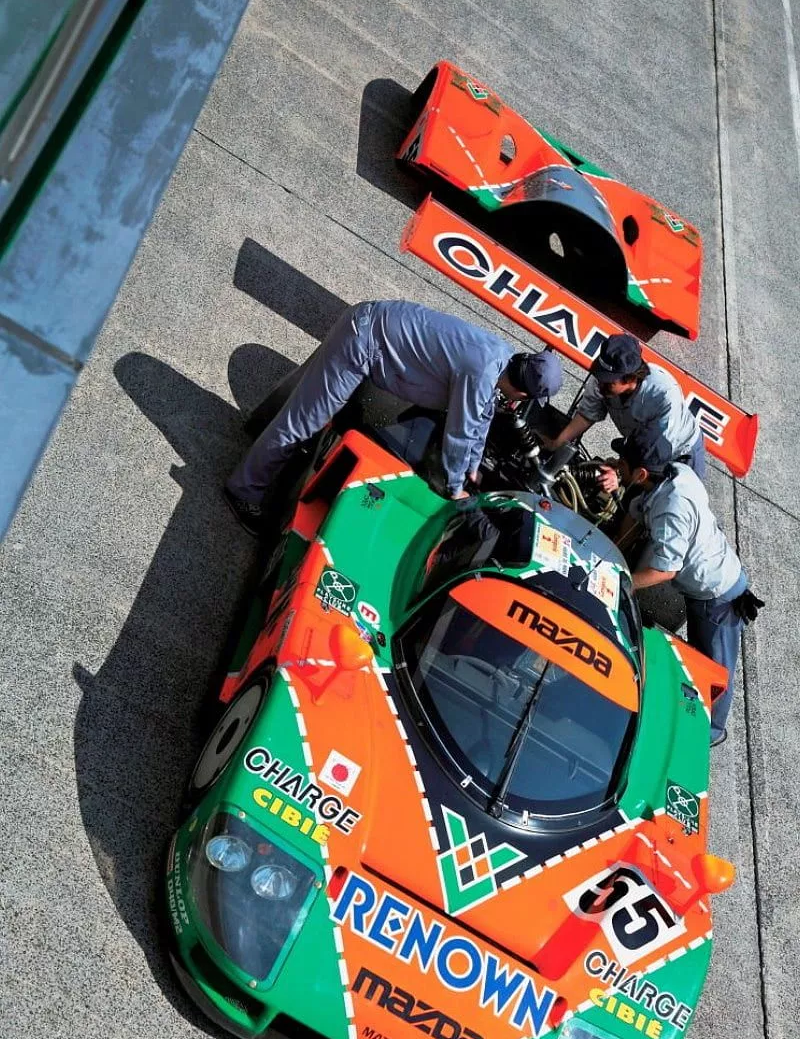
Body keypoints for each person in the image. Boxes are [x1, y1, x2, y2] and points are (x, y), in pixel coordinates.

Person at [224, 300, 562, 534]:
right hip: (362, 342)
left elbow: (482, 415)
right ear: (522, 393)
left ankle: (260, 444)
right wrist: (456, 489)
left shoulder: (501, 357)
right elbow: (459, 433)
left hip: (372, 327)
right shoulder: (480, 373)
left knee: (306, 409)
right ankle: (243, 491)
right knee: (303, 423)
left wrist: (474, 466)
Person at [608, 437, 763, 746]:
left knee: (714, 672)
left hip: (717, 597)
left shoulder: (672, 509)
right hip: (707, 585)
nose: (617, 467)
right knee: (699, 663)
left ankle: (710, 733)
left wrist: (621, 580)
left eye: (622, 464)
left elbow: (665, 570)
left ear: (641, 473)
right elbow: (637, 513)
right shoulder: (674, 474)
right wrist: (614, 550)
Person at [543, 333, 705, 492]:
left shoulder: (663, 396)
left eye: (608, 382)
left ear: (630, 379)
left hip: (678, 453)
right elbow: (586, 415)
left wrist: (618, 474)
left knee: (662, 501)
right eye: (600, 376)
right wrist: (556, 444)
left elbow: (650, 452)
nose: (600, 385)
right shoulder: (602, 381)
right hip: (641, 447)